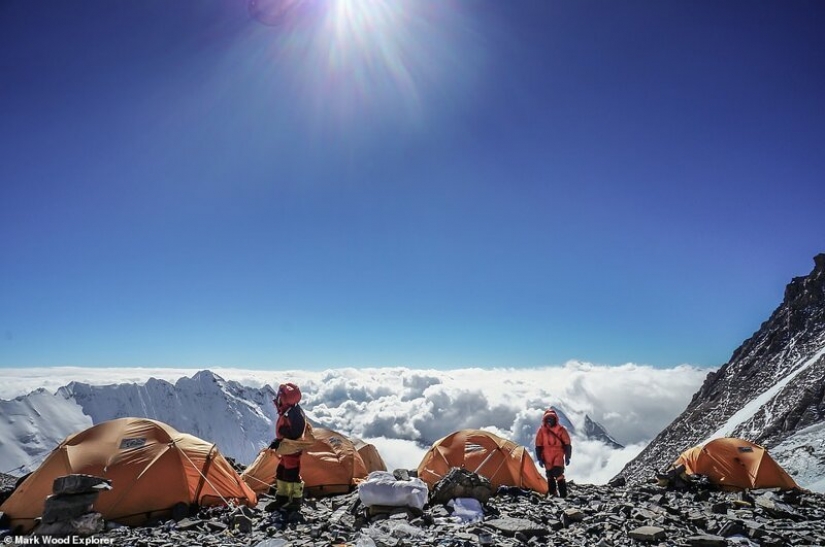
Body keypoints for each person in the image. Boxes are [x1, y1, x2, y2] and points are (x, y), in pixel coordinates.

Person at [268, 382, 307, 511]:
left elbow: (295, 433)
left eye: (280, 398)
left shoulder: (292, 414)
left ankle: (295, 500)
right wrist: (279, 441)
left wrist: (283, 438)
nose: (277, 400)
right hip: (286, 450)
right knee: (281, 472)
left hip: (291, 450)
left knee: (292, 473)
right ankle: (282, 497)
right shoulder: (289, 411)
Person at [535, 408, 572, 497]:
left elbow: (567, 443)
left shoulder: (561, 430)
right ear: (545, 420)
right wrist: (539, 458)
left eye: (551, 419)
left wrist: (567, 457)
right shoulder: (541, 431)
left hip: (558, 454)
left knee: (558, 473)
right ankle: (553, 494)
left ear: (555, 419)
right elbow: (538, 445)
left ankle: (563, 494)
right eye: (548, 419)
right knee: (549, 475)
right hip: (546, 456)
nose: (549, 421)